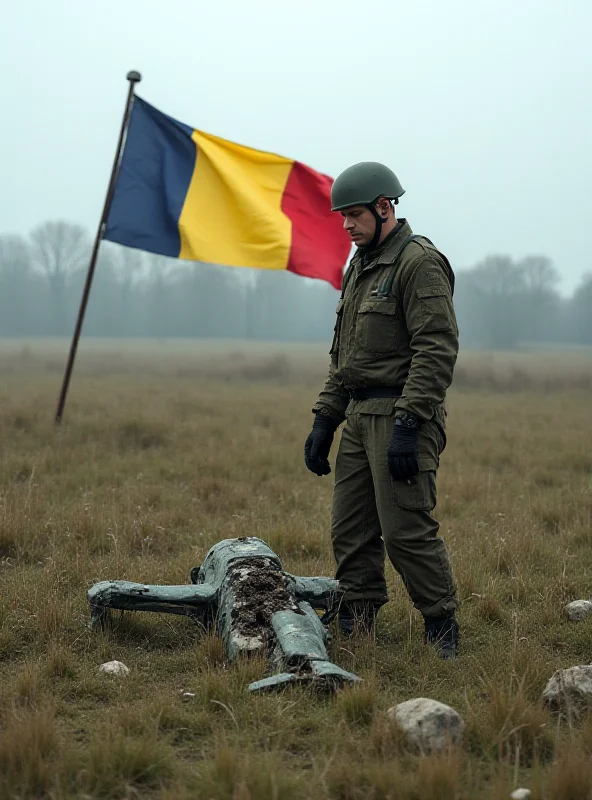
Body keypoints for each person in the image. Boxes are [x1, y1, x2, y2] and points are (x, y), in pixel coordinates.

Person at [304, 162, 459, 658]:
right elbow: (344, 355)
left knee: (405, 531)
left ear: (384, 208)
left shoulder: (419, 263)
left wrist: (410, 424)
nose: (346, 226)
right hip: (358, 417)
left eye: (354, 215)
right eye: (342, 217)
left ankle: (441, 625)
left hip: (402, 417)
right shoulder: (361, 265)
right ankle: (358, 618)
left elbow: (435, 348)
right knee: (349, 529)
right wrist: (325, 419)